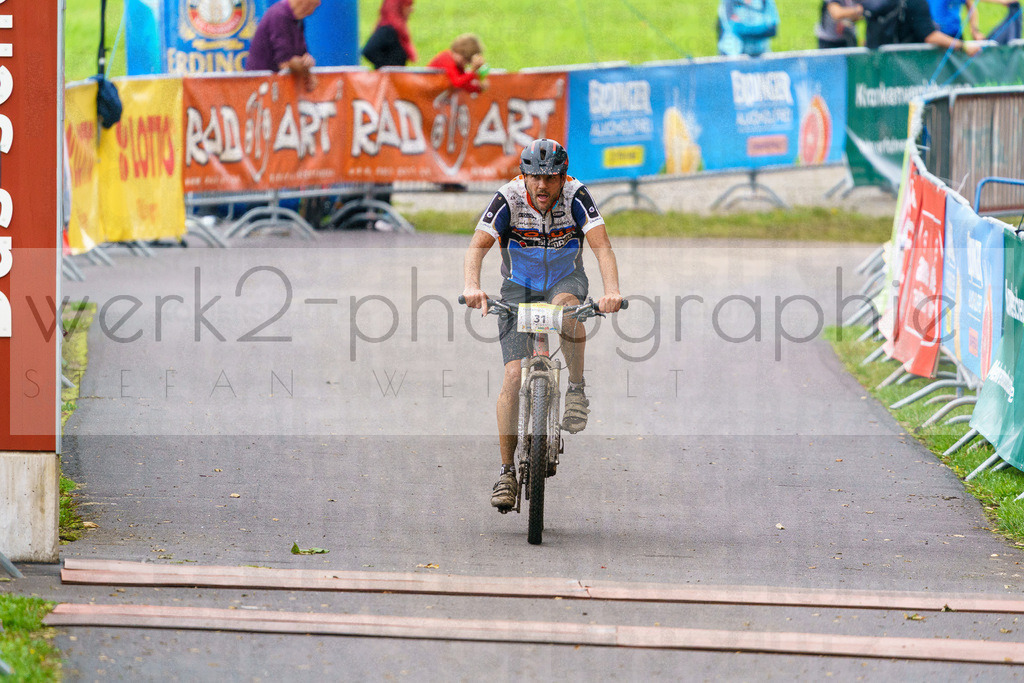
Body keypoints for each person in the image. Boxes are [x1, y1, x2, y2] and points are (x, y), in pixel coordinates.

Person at [462, 139, 623, 512]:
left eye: (551, 178)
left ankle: (577, 390)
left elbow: (602, 246)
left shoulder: (576, 195)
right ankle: (505, 472)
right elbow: (476, 247)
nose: (542, 186)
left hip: (566, 280)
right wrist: (472, 285)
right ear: (524, 175)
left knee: (568, 310)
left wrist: (612, 291)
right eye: (535, 176)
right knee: (513, 376)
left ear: (562, 177)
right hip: (517, 287)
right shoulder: (508, 198)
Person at [245, 0, 320, 91]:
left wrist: (307, 61)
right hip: (260, 87)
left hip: (276, 88)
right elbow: (286, 63)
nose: (319, 3)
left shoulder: (298, 19)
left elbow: (301, 55)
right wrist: (307, 71)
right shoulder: (279, 15)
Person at [863, 0, 983, 54]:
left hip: (884, 54)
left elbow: (970, 6)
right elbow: (929, 35)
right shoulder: (917, 2)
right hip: (911, 56)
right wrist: (963, 46)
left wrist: (974, 29)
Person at [362, 0, 417, 69]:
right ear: (398, 8)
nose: (412, 10)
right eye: (408, 6)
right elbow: (368, 51)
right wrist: (386, 68)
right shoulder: (388, 30)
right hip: (388, 78)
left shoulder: (398, 30)